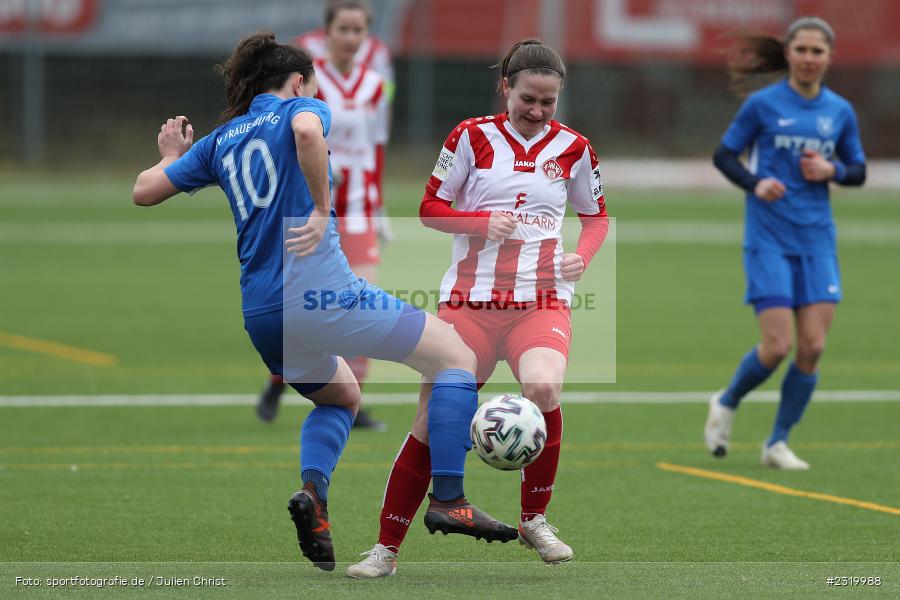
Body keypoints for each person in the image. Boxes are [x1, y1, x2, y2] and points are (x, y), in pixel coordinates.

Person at [132, 31, 517, 572]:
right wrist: (319, 207)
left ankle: (313, 495)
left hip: (263, 313)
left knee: (340, 397)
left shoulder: (221, 140)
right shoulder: (303, 109)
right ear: (296, 83)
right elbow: (309, 129)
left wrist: (171, 156)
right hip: (323, 295)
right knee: (456, 357)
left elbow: (144, 191)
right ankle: (450, 500)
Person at [346, 39, 610, 578]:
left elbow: (596, 216)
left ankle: (534, 519)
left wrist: (581, 258)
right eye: (528, 99)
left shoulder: (575, 148)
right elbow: (428, 209)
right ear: (505, 88)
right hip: (468, 305)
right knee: (430, 419)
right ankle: (385, 549)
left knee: (543, 387)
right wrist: (479, 222)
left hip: (540, 302)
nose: (537, 112)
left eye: (548, 102)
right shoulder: (470, 137)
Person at [704, 17, 866, 470]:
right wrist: (756, 184)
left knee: (812, 347)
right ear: (789, 54)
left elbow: (858, 169)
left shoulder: (840, 112)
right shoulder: (763, 105)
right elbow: (723, 156)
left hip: (817, 241)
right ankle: (727, 400)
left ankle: (777, 443)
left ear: (829, 57)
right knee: (777, 346)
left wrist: (832, 171)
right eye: (803, 50)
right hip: (768, 238)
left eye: (818, 51)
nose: (810, 58)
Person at [257, 0, 392, 429]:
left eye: (358, 31)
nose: (351, 39)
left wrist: (379, 202)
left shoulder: (376, 85)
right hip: (313, 211)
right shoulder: (309, 85)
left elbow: (376, 146)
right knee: (305, 309)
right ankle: (280, 379)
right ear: (328, 32)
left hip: (358, 211)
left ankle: (354, 405)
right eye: (344, 30)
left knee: (363, 308)